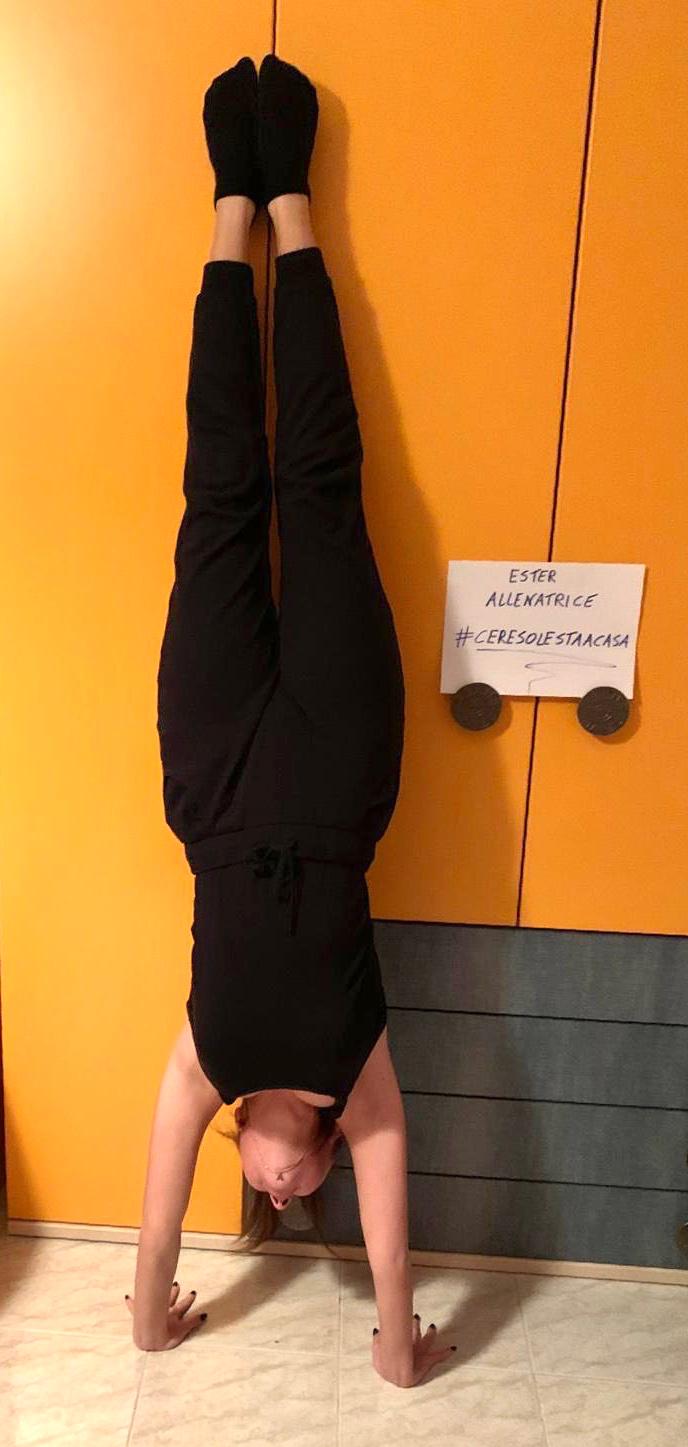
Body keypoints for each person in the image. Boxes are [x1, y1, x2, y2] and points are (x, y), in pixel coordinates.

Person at [127, 54, 454, 1387]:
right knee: (319, 486)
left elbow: (160, 1195)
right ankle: (293, 207)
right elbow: (392, 1187)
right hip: (337, 766)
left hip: (212, 782)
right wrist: (395, 1343)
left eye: (271, 1197)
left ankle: (230, 207)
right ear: (319, 1151)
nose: (282, 1194)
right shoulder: (353, 1077)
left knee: (219, 495)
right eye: (302, 1193)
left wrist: (147, 1318)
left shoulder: (206, 1063)